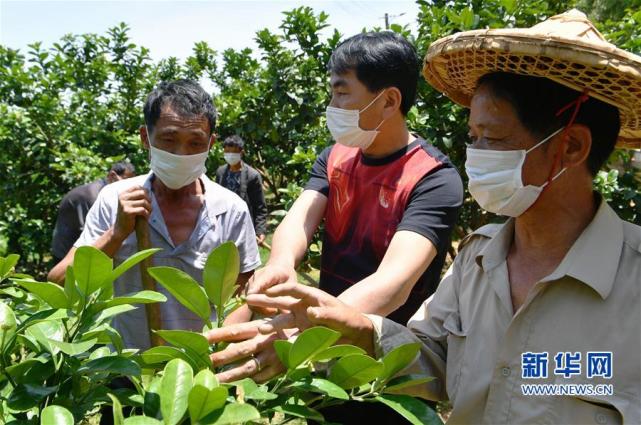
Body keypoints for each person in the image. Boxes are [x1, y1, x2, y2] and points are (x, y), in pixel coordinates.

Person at [207, 10, 641, 424]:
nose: (475, 155)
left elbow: (395, 284)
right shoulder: (477, 262)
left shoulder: (631, 282)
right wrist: (353, 329)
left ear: (571, 148)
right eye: (473, 136)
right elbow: (432, 358)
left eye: (493, 138)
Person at [211, 31, 463, 422]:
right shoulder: (336, 158)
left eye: (342, 92)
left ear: (390, 101)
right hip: (324, 353)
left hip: (386, 363)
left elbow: (393, 285)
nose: (332, 105)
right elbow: (300, 218)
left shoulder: (432, 178)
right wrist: (280, 263)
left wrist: (301, 335)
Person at [48, 79, 261, 350]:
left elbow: (245, 295)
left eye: (195, 142)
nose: (180, 153)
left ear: (211, 143)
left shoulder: (230, 210)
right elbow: (58, 283)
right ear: (145, 138)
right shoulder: (114, 199)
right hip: (126, 373)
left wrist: (211, 353)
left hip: (203, 372)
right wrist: (116, 234)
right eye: (169, 140)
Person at [51, 160, 135, 263]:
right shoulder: (94, 196)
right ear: (112, 175)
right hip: (67, 254)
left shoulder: (101, 191)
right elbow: (93, 233)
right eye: (126, 181)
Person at [215, 135, 268, 246]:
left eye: (233, 153)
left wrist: (260, 230)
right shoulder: (220, 173)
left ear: (241, 153)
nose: (230, 156)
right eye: (227, 152)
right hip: (224, 226)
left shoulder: (252, 176)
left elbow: (259, 206)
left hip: (245, 226)